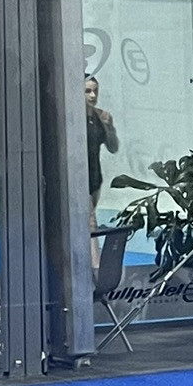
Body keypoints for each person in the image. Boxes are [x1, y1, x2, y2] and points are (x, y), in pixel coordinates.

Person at [84, 75, 118, 269]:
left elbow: (113, 147)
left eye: (95, 91)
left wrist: (109, 128)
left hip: (95, 178)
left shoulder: (100, 117)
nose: (93, 95)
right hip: (80, 178)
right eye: (87, 91)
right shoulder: (72, 119)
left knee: (87, 221)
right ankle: (96, 267)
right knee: (90, 222)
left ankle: (88, 264)